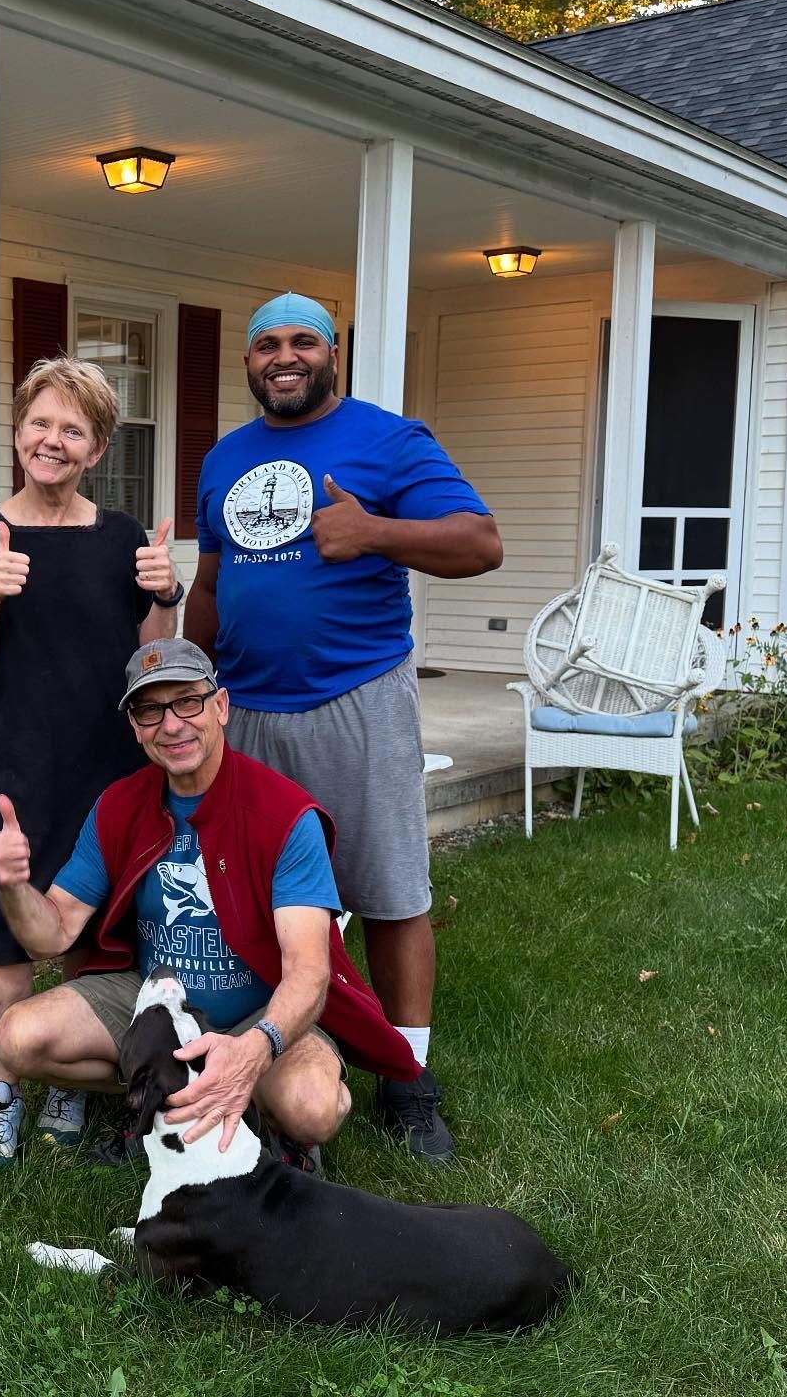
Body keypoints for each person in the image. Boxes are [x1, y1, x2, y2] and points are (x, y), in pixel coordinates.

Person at [184, 292, 502, 1165]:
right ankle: (253, 1061)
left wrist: (374, 533)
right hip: (244, 709)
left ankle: (409, 1081)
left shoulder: (390, 440)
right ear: (248, 363)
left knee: (389, 890)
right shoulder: (224, 459)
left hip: (355, 699)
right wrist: (189, 675)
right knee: (242, 900)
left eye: (302, 343)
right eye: (265, 347)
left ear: (332, 354)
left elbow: (480, 542)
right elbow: (211, 582)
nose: (283, 358)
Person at [0, 638, 421, 1166]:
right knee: (18, 1037)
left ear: (220, 706)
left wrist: (255, 1048)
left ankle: (210, 1106)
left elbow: (309, 974)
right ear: (135, 727)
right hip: (158, 1006)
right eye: (150, 710)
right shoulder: (120, 805)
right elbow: (51, 934)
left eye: (188, 702)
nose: (171, 725)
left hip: (260, 1011)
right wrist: (13, 888)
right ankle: (188, 1099)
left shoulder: (284, 814)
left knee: (313, 1108)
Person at [0, 357, 182, 1168]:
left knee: (97, 934)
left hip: (113, 772)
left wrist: (164, 598)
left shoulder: (120, 539)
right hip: (21, 769)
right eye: (41, 423)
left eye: (73, 429)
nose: (53, 440)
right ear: (17, 434)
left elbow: (154, 665)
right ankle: (2, 1095)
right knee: (5, 936)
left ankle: (69, 1078)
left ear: (97, 448)